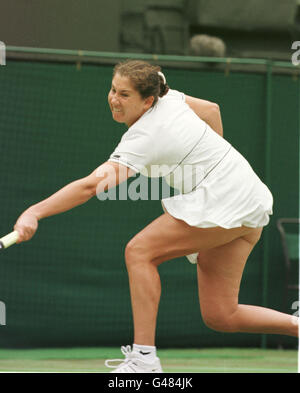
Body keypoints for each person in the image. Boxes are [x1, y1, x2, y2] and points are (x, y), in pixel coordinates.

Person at [14, 60, 298, 373]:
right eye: (112, 90)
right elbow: (213, 110)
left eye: (124, 94)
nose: (114, 99)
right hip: (247, 199)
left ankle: (145, 360)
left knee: (139, 251)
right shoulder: (169, 95)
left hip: (227, 199)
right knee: (221, 315)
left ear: (148, 100)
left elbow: (93, 186)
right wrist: (211, 164)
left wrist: (34, 211)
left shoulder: (145, 136)